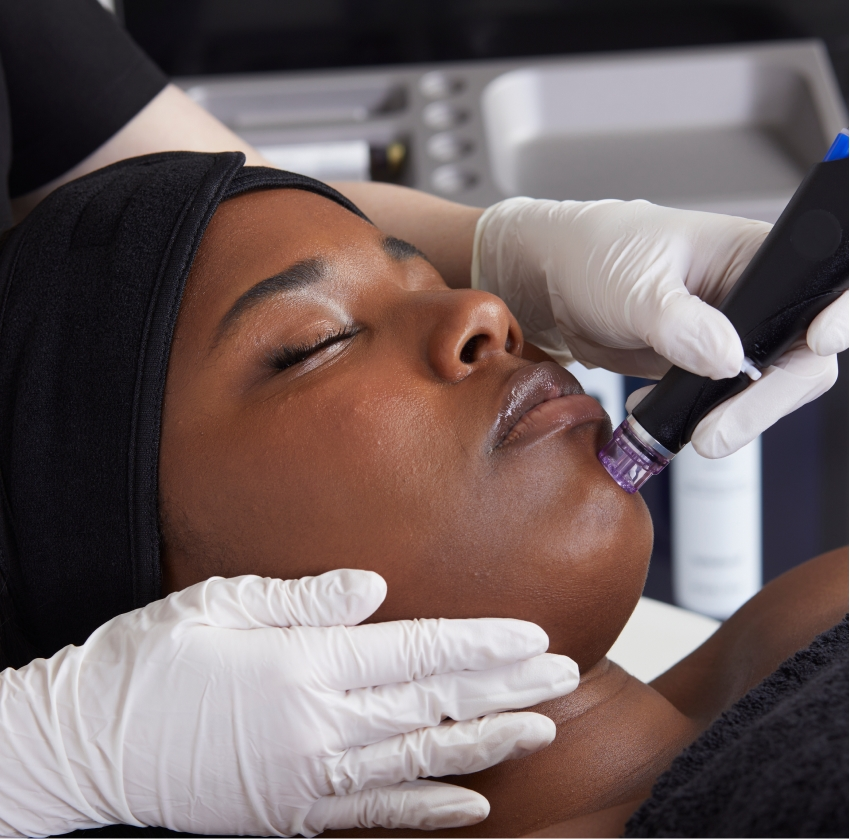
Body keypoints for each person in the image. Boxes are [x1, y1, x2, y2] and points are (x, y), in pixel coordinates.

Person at [1, 1, 846, 834]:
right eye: (315, 343)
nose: (486, 308)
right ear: (160, 620)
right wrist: (48, 753)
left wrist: (497, 241)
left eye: (433, 279)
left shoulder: (812, 611)